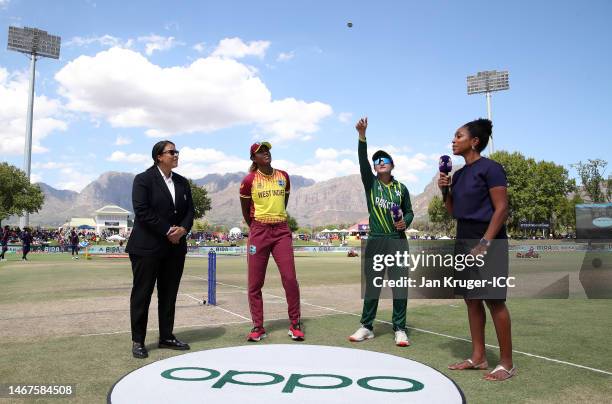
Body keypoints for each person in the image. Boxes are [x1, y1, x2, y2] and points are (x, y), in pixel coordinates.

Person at [438, 118, 515, 381]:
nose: (453, 141)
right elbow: (453, 212)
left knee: (494, 301)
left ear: (475, 141)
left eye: (458, 136)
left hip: (489, 240)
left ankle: (506, 363)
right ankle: (478, 357)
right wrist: (444, 191)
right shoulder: (458, 175)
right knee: (471, 300)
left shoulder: (491, 169)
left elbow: (502, 208)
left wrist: (485, 243)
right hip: (464, 238)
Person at [349, 117, 414, 347]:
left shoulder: (401, 188)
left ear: (392, 165)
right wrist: (362, 137)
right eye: (377, 161)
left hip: (397, 240)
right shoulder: (371, 184)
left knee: (399, 286)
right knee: (373, 285)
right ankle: (367, 326)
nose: (380, 162)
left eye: (384, 159)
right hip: (376, 240)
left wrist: (404, 222)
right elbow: (362, 162)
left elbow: (410, 212)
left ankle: (400, 328)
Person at [126, 140, 195, 359]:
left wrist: (183, 229)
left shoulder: (182, 182)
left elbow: (190, 211)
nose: (176, 155)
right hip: (147, 247)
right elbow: (142, 211)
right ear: (159, 156)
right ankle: (138, 340)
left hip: (175, 249)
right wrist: (168, 230)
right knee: (142, 294)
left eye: (176, 152)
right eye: (171, 152)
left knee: (169, 294)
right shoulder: (144, 180)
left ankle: (166, 336)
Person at [239, 141, 304, 342]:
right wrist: (257, 227)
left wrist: (276, 221)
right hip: (259, 230)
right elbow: (245, 210)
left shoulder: (283, 176)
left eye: (267, 150)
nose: (265, 153)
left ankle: (295, 324)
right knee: (255, 283)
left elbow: (284, 203)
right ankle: (258, 326)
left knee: (290, 279)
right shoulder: (249, 180)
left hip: (281, 230)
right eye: (260, 152)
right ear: (253, 158)